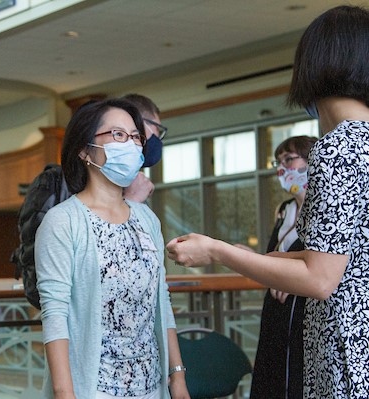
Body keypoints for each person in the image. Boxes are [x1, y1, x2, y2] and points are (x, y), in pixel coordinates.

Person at [167, 5, 369, 398]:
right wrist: (263, 259)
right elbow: (345, 258)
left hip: (348, 347)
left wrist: (216, 250)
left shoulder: (338, 148)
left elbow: (320, 278)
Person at [35, 98, 189, 399]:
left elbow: (162, 302)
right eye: (118, 135)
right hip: (95, 389)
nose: (131, 145)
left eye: (135, 137)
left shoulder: (147, 218)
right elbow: (55, 314)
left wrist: (177, 377)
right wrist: (65, 393)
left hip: (151, 386)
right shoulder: (63, 221)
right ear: (84, 149)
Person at [250, 135, 317, 399]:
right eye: (278, 162)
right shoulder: (284, 210)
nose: (283, 168)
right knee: (272, 377)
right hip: (276, 310)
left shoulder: (324, 208)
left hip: (305, 310)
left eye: (289, 159)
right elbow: (275, 257)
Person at [122, 94, 168, 203]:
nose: (158, 137)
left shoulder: (133, 183)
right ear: (138, 123)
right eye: (157, 128)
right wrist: (133, 199)